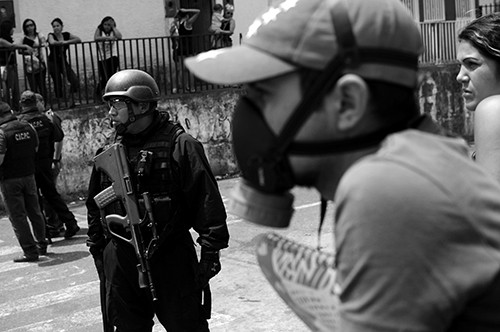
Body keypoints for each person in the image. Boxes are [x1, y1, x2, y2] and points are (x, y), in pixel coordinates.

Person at [185, 0, 500, 330]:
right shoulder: (428, 155)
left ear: (348, 102)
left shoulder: (380, 188)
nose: (250, 115)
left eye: (270, 92)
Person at [86, 69, 229, 331]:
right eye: (109, 105)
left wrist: (211, 250)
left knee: (187, 325)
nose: (110, 112)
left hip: (169, 255)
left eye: (117, 104)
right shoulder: (108, 152)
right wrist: (98, 248)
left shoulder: (180, 145)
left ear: (140, 105)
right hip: (121, 256)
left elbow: (206, 200)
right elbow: (95, 204)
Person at [17, 90, 80, 239]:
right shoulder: (46, 119)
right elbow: (58, 137)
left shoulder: (20, 123)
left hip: (29, 167)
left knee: (35, 201)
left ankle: (44, 233)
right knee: (52, 195)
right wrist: (54, 159)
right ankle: (71, 223)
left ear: (21, 104)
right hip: (45, 164)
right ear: (35, 102)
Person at [0, 101, 48, 262]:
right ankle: (42, 245)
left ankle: (30, 251)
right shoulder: (28, 126)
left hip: (9, 180)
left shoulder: (1, 132)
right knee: (35, 211)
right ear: (11, 111)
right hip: (29, 175)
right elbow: (35, 147)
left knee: (18, 216)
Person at [456, 13, 500, 181]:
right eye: (460, 65)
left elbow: (491, 205)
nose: (460, 77)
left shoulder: (493, 109)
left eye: (472, 64)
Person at [35, 92, 65, 237]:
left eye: (36, 103)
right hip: (47, 161)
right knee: (49, 193)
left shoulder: (50, 117)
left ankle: (55, 224)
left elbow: (58, 140)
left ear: (41, 102)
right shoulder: (42, 117)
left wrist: (55, 160)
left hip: (51, 161)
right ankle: (56, 223)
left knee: (49, 195)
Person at [0, 20, 33, 112]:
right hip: (6, 68)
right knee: (8, 89)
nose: (13, 29)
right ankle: (9, 108)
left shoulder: (8, 38)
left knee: (15, 88)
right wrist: (25, 46)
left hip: (12, 66)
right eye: (11, 28)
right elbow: (12, 46)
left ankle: (16, 107)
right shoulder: (2, 40)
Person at [47, 18, 81, 105]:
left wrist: (66, 42)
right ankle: (60, 101)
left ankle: (71, 99)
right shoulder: (51, 35)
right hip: (53, 61)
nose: (56, 28)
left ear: (62, 27)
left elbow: (78, 39)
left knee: (74, 79)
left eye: (58, 26)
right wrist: (61, 43)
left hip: (63, 61)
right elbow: (52, 42)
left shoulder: (66, 35)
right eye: (54, 26)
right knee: (57, 82)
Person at [170, 7, 200, 93]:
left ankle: (177, 87)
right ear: (186, 16)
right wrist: (187, 10)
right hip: (188, 48)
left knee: (180, 69)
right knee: (190, 69)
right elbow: (198, 11)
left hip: (180, 48)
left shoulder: (176, 25)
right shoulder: (188, 24)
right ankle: (192, 87)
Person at [94, 16, 122, 99]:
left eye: (109, 25)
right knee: (104, 78)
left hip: (112, 56)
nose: (106, 26)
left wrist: (113, 27)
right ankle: (98, 94)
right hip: (102, 58)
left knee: (112, 77)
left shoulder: (113, 31)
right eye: (105, 24)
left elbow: (119, 36)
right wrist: (107, 38)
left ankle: (111, 95)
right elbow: (96, 38)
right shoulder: (99, 30)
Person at [21, 18, 47, 98]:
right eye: (27, 26)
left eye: (31, 25)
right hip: (29, 64)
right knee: (33, 87)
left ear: (34, 26)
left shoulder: (39, 35)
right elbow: (19, 51)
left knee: (42, 85)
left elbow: (43, 42)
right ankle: (35, 104)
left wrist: (40, 44)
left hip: (40, 62)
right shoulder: (24, 38)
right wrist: (27, 51)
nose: (30, 27)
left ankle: (44, 104)